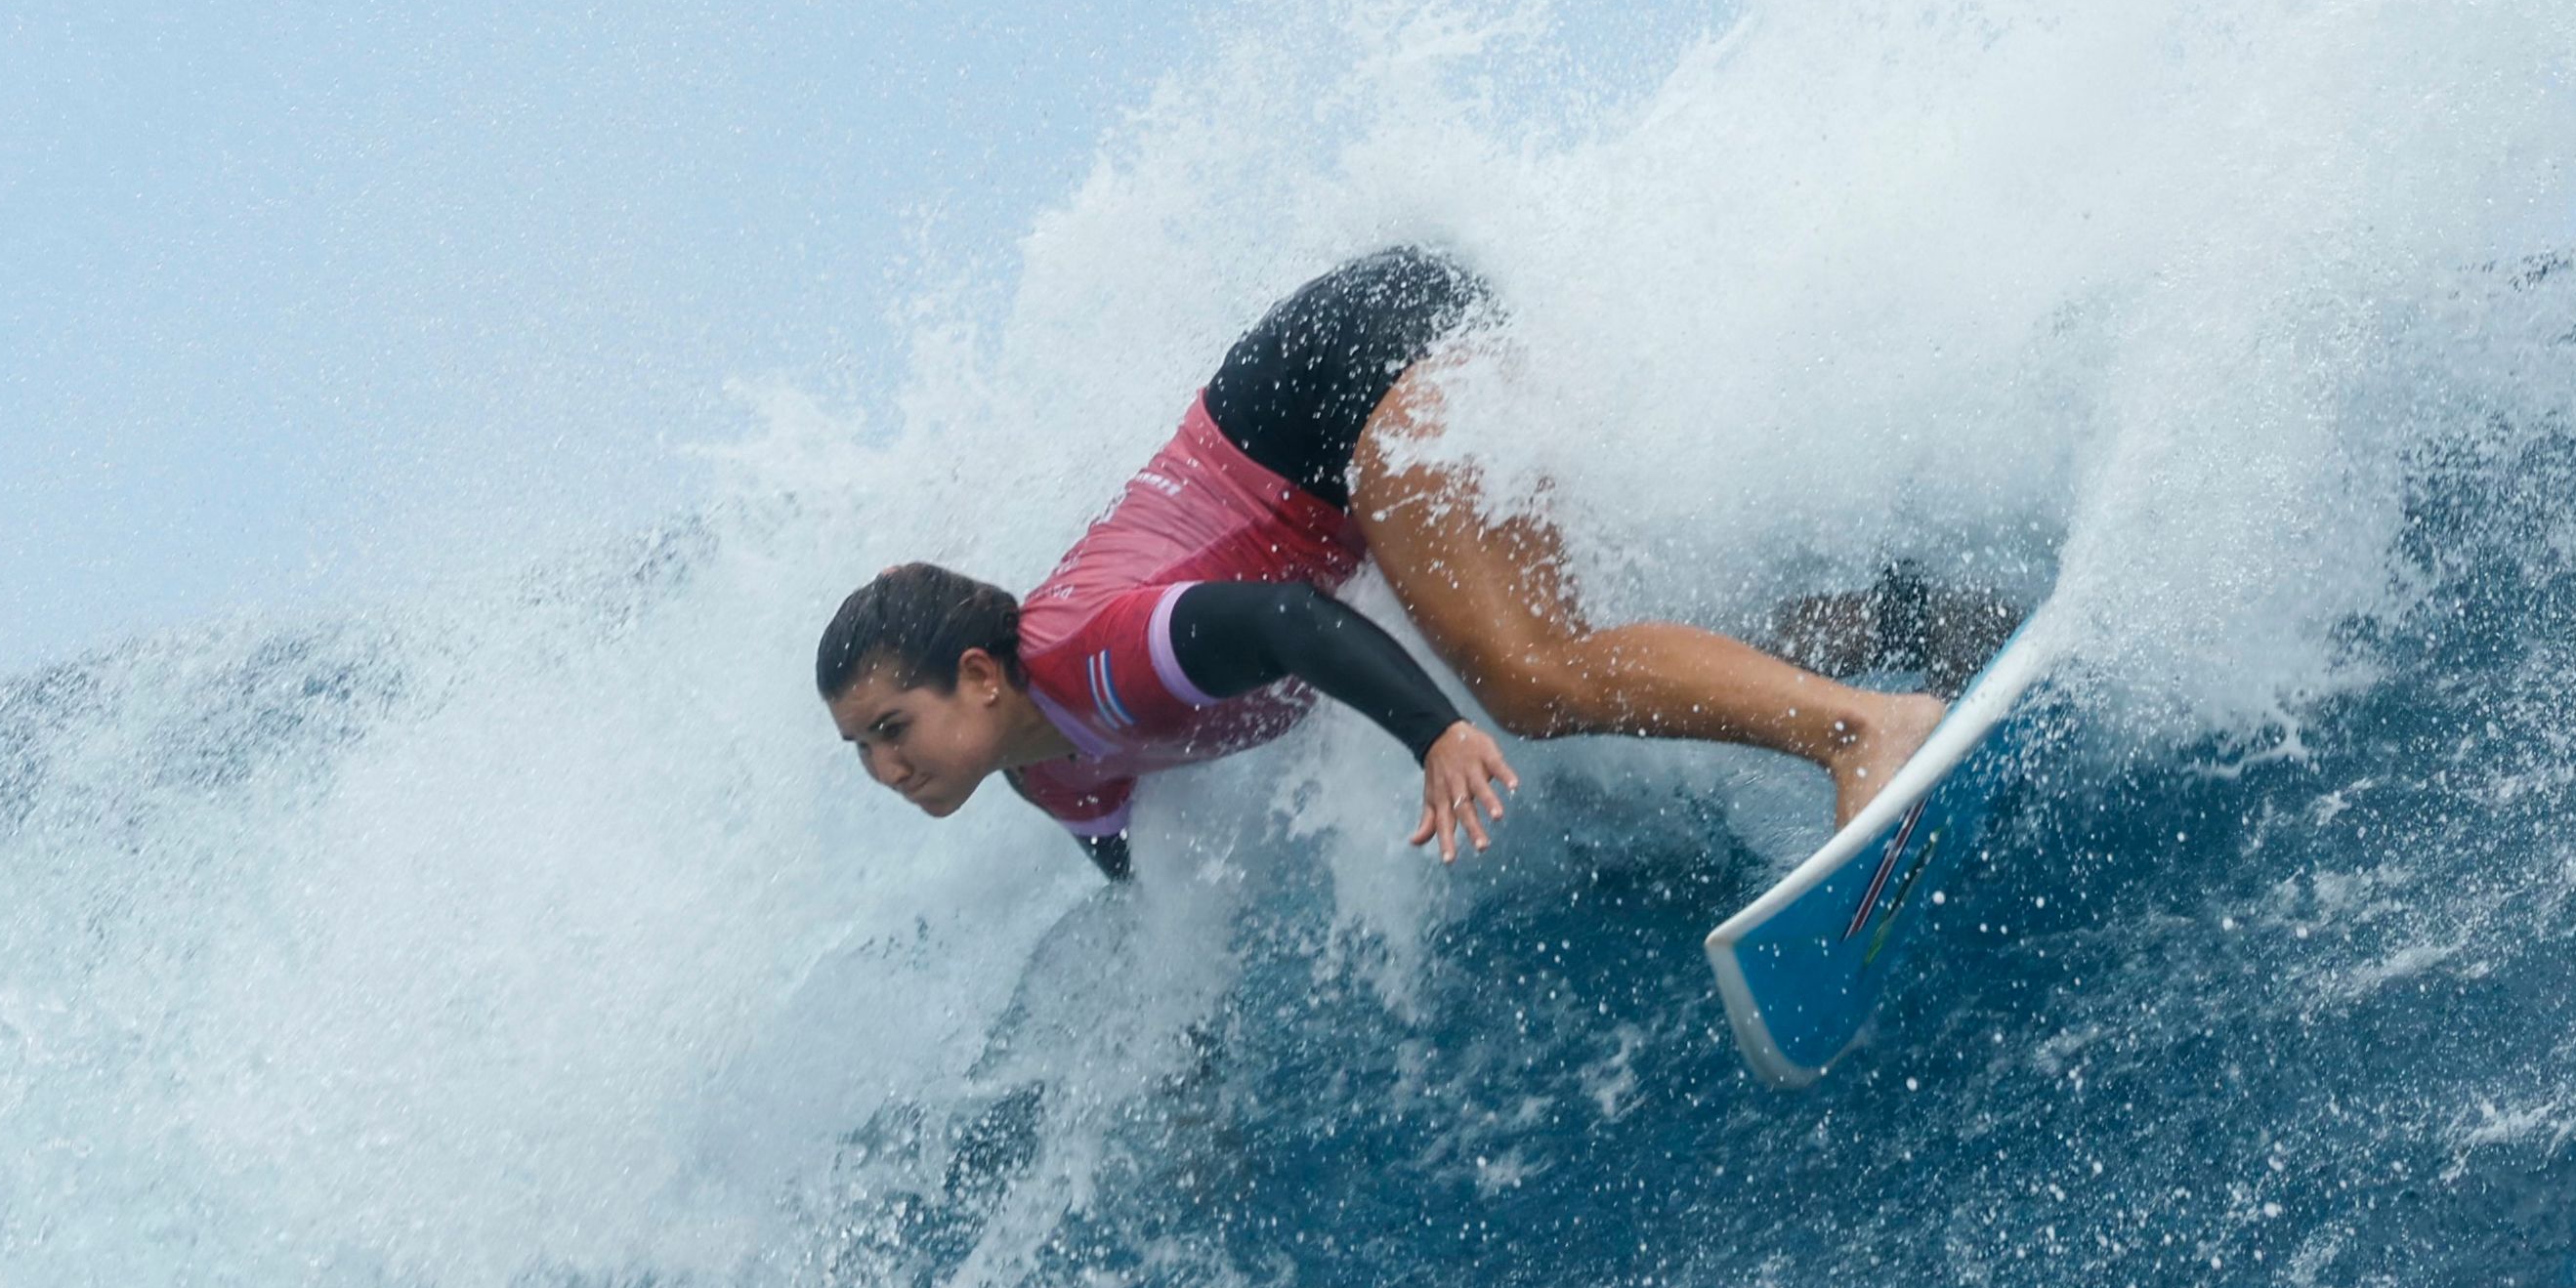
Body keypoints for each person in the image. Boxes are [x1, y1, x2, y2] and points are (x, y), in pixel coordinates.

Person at [817, 248, 1988, 879]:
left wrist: (1433, 733)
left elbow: (1281, 618)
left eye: (891, 726)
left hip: (1349, 369)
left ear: (977, 675)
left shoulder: (1096, 664)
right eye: (862, 746)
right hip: (1356, 401)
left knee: (1525, 680)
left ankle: (1862, 729)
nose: (883, 766)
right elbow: (1134, 882)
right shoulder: (1052, 775)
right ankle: (1907, 624)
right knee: (1590, 653)